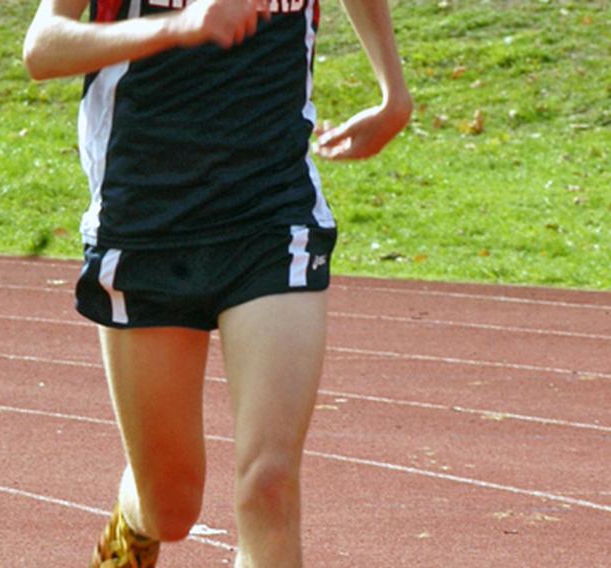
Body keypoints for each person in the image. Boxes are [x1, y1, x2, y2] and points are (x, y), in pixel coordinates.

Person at [23, 0, 411, 566]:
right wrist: (179, 25)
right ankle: (134, 526)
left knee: (269, 485)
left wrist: (392, 92)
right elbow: (43, 47)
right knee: (171, 508)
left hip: (272, 214)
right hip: (146, 222)